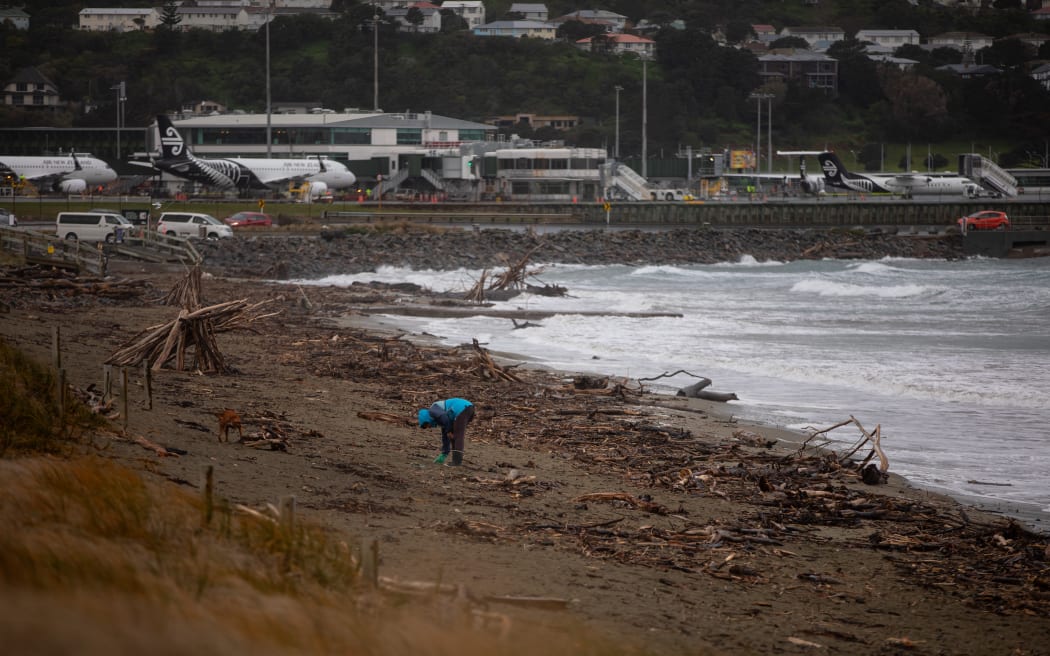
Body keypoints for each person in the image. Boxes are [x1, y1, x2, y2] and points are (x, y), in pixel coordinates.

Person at [418, 398, 475, 466]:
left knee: (457, 435)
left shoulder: (433, 410)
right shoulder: (439, 419)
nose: (429, 426)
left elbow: (444, 418)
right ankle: (456, 460)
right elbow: (445, 435)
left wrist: (449, 431)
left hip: (462, 408)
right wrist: (444, 453)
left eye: (427, 424)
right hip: (467, 409)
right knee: (452, 435)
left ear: (427, 419)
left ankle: (456, 462)